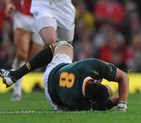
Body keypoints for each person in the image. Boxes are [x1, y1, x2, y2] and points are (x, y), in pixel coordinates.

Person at [1, 41, 129, 111]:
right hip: (54, 98)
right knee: (69, 109)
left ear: (96, 81)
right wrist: (117, 103)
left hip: (55, 71)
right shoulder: (78, 102)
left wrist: (116, 101)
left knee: (64, 45)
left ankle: (15, 74)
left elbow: (123, 77)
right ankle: (15, 74)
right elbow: (98, 107)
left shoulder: (92, 65)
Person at [4, 0, 44, 101]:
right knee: (21, 53)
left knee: (33, 60)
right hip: (23, 18)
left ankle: (16, 77)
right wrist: (9, 5)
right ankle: (16, 90)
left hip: (42, 19)